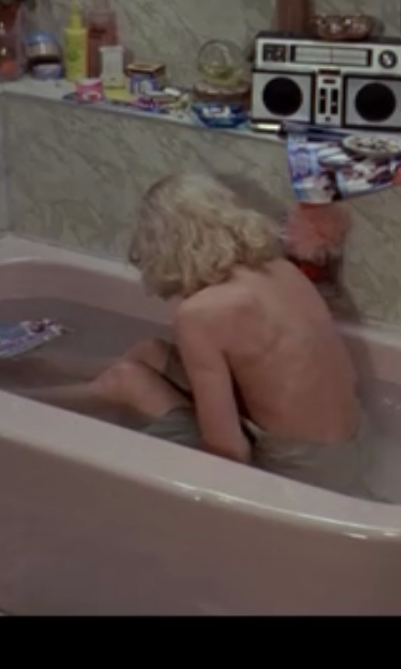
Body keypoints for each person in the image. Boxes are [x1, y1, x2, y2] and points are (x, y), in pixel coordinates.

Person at [23, 173, 369, 497]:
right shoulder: (281, 270)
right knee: (151, 352)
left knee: (128, 380)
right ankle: (42, 368)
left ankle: (17, 407)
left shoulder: (202, 313)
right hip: (351, 449)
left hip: (296, 475)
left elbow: (228, 450)